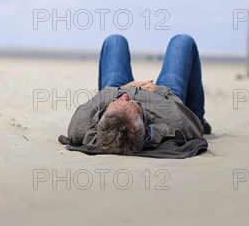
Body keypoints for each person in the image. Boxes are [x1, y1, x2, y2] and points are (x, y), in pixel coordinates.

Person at [59, 34, 210, 158]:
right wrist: (159, 91)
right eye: (131, 103)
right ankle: (201, 115)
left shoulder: (81, 125)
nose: (126, 96)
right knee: (183, 41)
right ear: (143, 124)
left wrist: (121, 90)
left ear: (101, 116)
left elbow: (99, 98)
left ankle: (117, 100)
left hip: (114, 90)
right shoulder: (172, 119)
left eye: (118, 102)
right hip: (160, 97)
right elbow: (193, 126)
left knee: (115, 40)